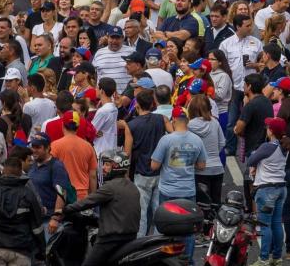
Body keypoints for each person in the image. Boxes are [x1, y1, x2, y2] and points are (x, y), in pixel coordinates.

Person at [60, 151, 139, 266]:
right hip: (130, 236)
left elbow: (87, 202)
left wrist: (64, 209)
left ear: (116, 167)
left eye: (107, 165)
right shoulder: (132, 186)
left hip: (110, 239)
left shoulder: (110, 187)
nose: (103, 168)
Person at [151, 107, 205, 262]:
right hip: (188, 191)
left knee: (167, 227)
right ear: (187, 120)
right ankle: (187, 260)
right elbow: (202, 165)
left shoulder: (166, 140)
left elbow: (154, 165)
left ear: (173, 120)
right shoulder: (197, 140)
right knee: (188, 229)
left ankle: (168, 259)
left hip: (168, 191)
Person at [0, 156, 45, 265]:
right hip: (21, 250)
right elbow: (37, 227)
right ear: (20, 172)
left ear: (2, 171)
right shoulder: (28, 194)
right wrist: (41, 252)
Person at [247, 117, 289, 266]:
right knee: (277, 223)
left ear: (271, 131)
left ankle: (263, 259)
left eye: (268, 127)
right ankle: (276, 257)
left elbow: (250, 161)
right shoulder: (284, 146)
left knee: (265, 225)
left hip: (267, 189)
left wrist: (255, 156)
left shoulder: (267, 146)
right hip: (281, 187)